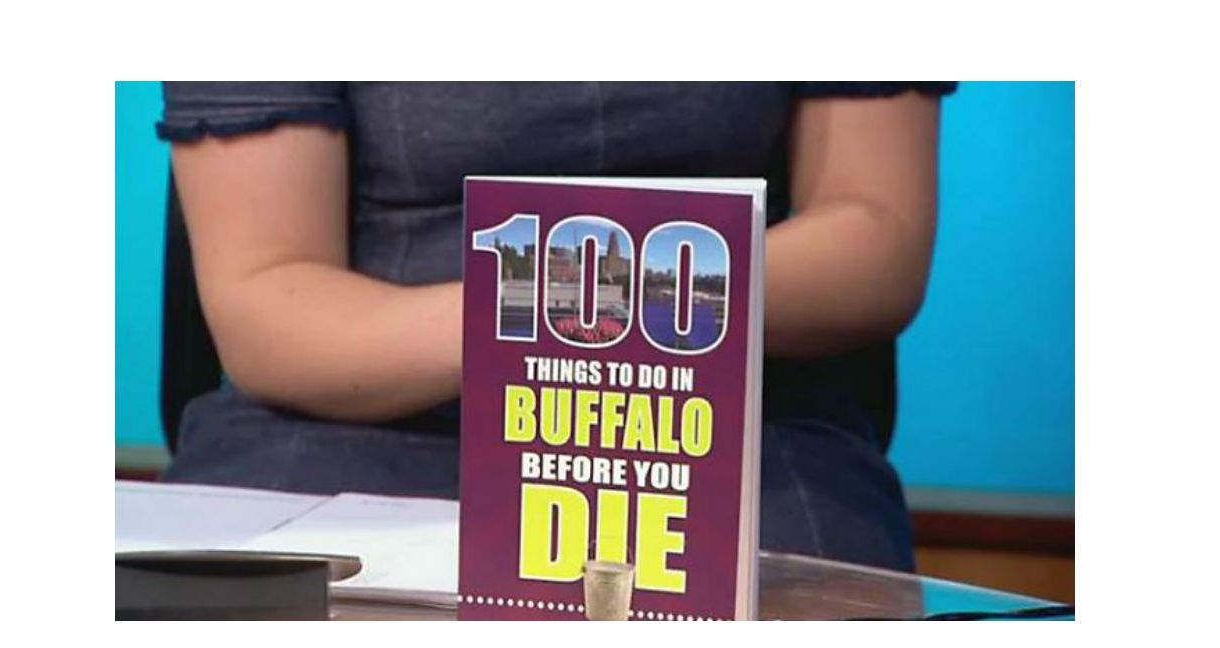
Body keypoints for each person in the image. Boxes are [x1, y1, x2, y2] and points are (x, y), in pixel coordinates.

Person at [158, 81, 955, 572]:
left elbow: (875, 240)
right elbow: (268, 299)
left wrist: (594, 299)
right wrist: (578, 301)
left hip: (722, 427)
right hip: (353, 419)